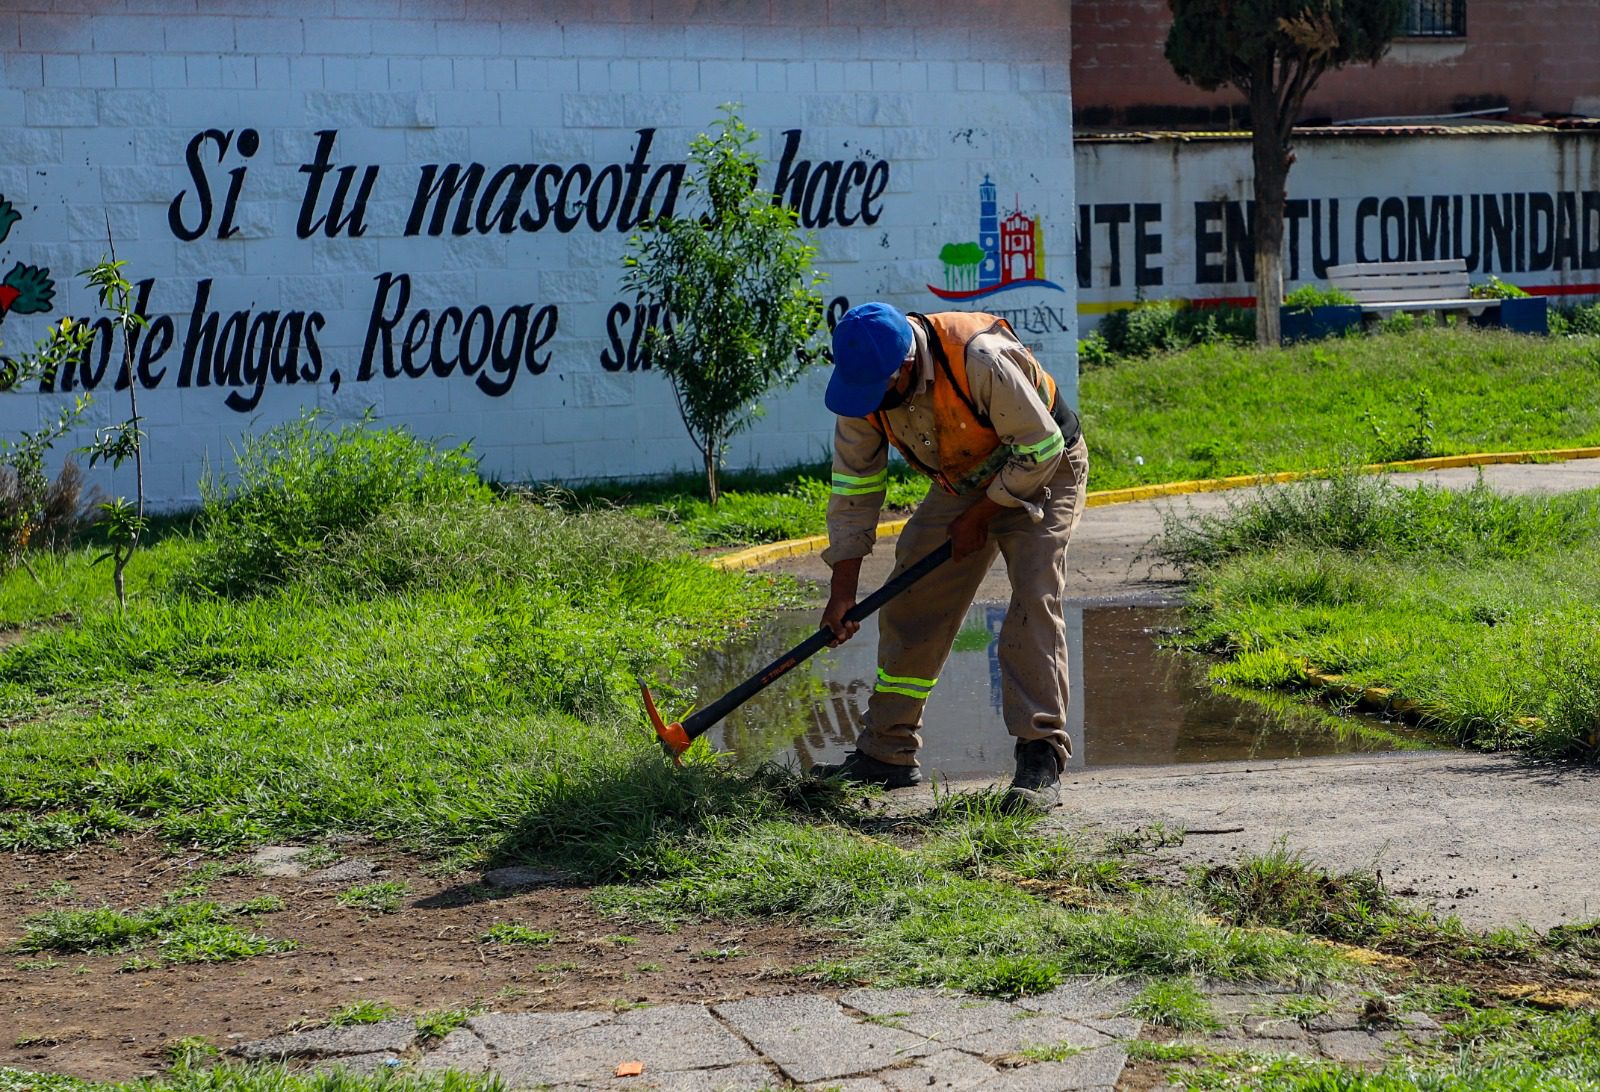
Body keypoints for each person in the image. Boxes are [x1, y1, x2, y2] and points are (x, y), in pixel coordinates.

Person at [813, 301, 1088, 809]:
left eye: (880, 391)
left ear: (907, 366)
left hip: (1045, 463)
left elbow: (1041, 447)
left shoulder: (978, 357)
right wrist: (842, 592)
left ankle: (1040, 753)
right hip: (964, 476)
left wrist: (981, 516)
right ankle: (886, 753)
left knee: (1033, 596)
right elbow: (854, 490)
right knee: (912, 600)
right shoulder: (864, 388)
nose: (872, 403)